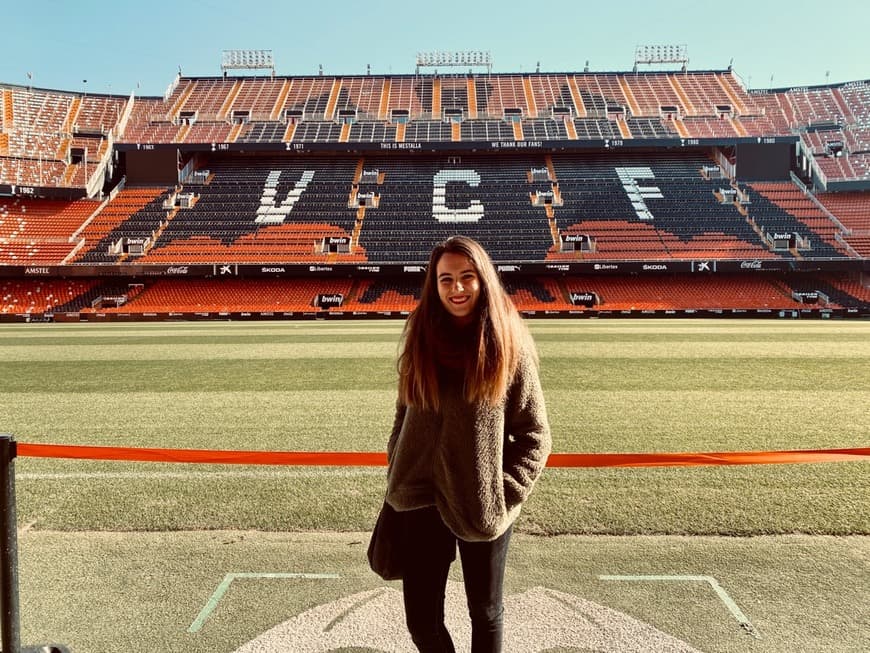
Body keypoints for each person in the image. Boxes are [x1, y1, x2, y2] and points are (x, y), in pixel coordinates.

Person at [385, 235, 551, 652]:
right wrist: (397, 471)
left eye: (466, 277)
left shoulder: (508, 347)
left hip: (481, 504)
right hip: (419, 501)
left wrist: (502, 494)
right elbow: (403, 416)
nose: (456, 288)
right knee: (421, 621)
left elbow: (535, 436)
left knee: (486, 613)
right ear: (433, 284)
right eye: (446, 279)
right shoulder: (420, 337)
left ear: (483, 280)